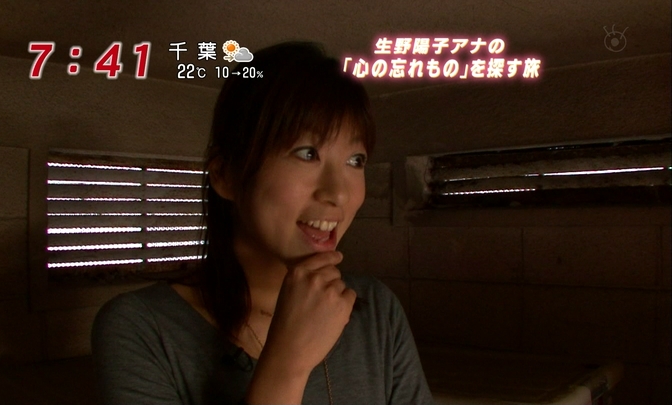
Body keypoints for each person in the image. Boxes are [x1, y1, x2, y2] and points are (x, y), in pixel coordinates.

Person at [92, 41, 435, 405]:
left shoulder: (377, 310)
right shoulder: (143, 328)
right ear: (226, 175)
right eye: (307, 153)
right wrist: (288, 364)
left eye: (356, 160)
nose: (338, 193)